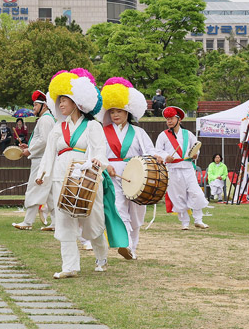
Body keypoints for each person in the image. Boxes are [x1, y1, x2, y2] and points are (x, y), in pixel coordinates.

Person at [37, 68, 128, 279]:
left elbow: (100, 152)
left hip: (86, 178)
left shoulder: (93, 126)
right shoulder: (58, 127)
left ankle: (101, 257)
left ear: (77, 102)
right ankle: (70, 266)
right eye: (58, 100)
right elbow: (49, 154)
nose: (60, 104)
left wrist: (97, 161)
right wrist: (42, 172)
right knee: (64, 221)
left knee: (93, 222)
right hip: (61, 177)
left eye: (64, 100)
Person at [99, 78, 156, 260]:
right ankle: (127, 245)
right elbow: (97, 152)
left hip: (136, 175)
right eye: (112, 111)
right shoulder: (101, 132)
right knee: (118, 208)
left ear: (127, 112)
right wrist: (105, 165)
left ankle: (134, 245)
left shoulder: (138, 132)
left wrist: (156, 157)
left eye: (119, 111)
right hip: (112, 173)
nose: (115, 115)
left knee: (137, 214)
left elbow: (150, 151)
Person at [156, 106, 209, 230]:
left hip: (187, 167)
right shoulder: (162, 135)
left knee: (196, 192)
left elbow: (196, 147)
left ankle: (198, 220)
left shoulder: (188, 134)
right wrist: (165, 157)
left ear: (179, 119)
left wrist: (196, 155)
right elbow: (157, 150)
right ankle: (185, 222)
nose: (169, 121)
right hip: (172, 168)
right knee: (178, 196)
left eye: (171, 118)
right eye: (167, 119)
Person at [13, 91, 56, 231]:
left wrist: (30, 150)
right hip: (43, 159)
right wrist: (29, 146)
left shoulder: (45, 119)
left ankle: (28, 221)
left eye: (36, 105)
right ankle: (55, 223)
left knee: (34, 189)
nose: (34, 108)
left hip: (41, 160)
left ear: (44, 106)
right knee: (49, 193)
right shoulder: (46, 119)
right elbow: (42, 140)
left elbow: (44, 141)